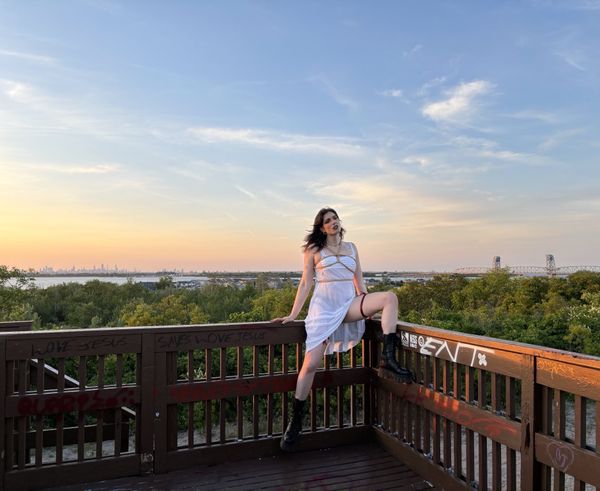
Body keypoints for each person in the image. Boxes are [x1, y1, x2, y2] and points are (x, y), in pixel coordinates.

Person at [273, 207, 413, 452]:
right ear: (321, 227)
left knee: (389, 298)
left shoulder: (352, 248)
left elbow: (359, 280)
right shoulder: (313, 250)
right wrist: (293, 314)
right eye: (328, 221)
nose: (333, 222)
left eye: (335, 218)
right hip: (323, 307)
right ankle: (295, 421)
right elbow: (306, 282)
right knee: (310, 365)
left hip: (348, 303)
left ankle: (388, 358)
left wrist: (366, 304)